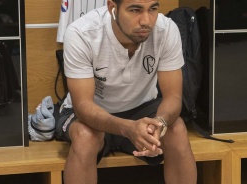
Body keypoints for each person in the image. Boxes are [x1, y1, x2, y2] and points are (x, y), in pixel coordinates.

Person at [55, 0, 197, 183]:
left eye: (152, 9)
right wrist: (127, 128)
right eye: (135, 10)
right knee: (85, 138)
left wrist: (159, 122)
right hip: (90, 115)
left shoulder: (166, 29)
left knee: (176, 129)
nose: (146, 20)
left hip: (141, 109)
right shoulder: (81, 33)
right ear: (112, 8)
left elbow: (174, 97)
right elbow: (83, 105)